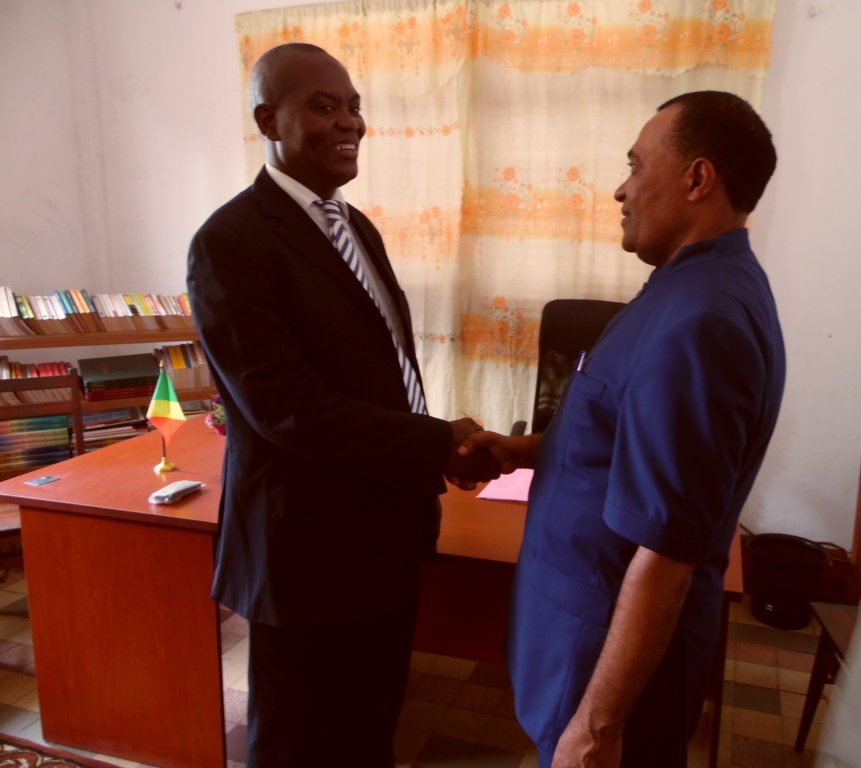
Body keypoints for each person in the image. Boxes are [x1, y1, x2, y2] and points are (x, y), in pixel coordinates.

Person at [187, 43, 497, 767]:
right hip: (306, 558)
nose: (350, 122)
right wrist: (434, 441)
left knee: (366, 734)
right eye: (324, 107)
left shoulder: (356, 227)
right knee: (298, 745)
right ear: (268, 121)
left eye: (354, 106)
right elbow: (287, 407)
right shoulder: (230, 242)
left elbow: (382, 370)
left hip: (383, 536)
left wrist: (427, 457)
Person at [457, 91, 786, 767]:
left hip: (605, 661)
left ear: (697, 179)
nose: (619, 188)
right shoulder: (682, 288)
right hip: (576, 637)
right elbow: (624, 436)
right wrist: (522, 450)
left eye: (636, 166)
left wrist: (597, 729)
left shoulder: (700, 323)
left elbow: (666, 550)